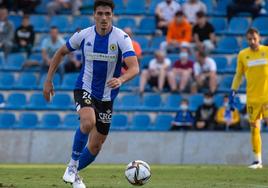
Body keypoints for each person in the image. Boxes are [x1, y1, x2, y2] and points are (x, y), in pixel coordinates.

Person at [43, 1, 139, 188]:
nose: (104, 18)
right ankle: (71, 167)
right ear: (94, 15)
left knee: (96, 146)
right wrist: (48, 80)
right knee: (88, 122)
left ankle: (75, 174)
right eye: (100, 13)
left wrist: (121, 79)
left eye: (108, 14)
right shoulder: (84, 35)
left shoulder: (121, 38)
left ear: (112, 15)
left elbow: (134, 68)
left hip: (107, 96)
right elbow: (60, 52)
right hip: (84, 88)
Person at [229, 27, 268, 169]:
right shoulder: (243, 54)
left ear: (260, 38)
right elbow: (238, 75)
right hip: (252, 98)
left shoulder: (267, 51)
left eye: (254, 39)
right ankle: (258, 160)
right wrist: (233, 90)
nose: (252, 41)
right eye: (249, 39)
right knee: (254, 128)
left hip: (267, 97)